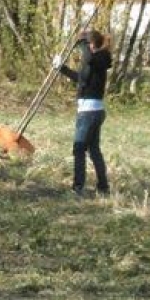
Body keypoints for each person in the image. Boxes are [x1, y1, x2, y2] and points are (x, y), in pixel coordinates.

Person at [54, 28, 112, 197]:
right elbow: (81, 78)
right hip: (91, 111)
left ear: (91, 45)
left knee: (79, 148)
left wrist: (83, 42)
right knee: (93, 150)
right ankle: (103, 187)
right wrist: (61, 68)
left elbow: (88, 57)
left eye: (86, 46)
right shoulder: (93, 61)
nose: (82, 50)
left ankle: (78, 188)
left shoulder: (98, 58)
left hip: (89, 113)